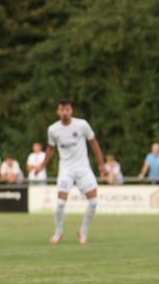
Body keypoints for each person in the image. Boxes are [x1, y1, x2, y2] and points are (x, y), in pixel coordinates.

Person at [31, 99, 105, 245]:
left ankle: (83, 230)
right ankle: (58, 232)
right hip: (66, 169)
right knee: (60, 203)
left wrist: (101, 163)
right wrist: (42, 166)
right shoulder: (53, 129)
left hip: (83, 168)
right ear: (58, 112)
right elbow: (50, 149)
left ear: (71, 111)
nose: (65, 113)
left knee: (94, 202)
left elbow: (94, 142)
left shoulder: (82, 124)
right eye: (62, 110)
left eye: (68, 110)